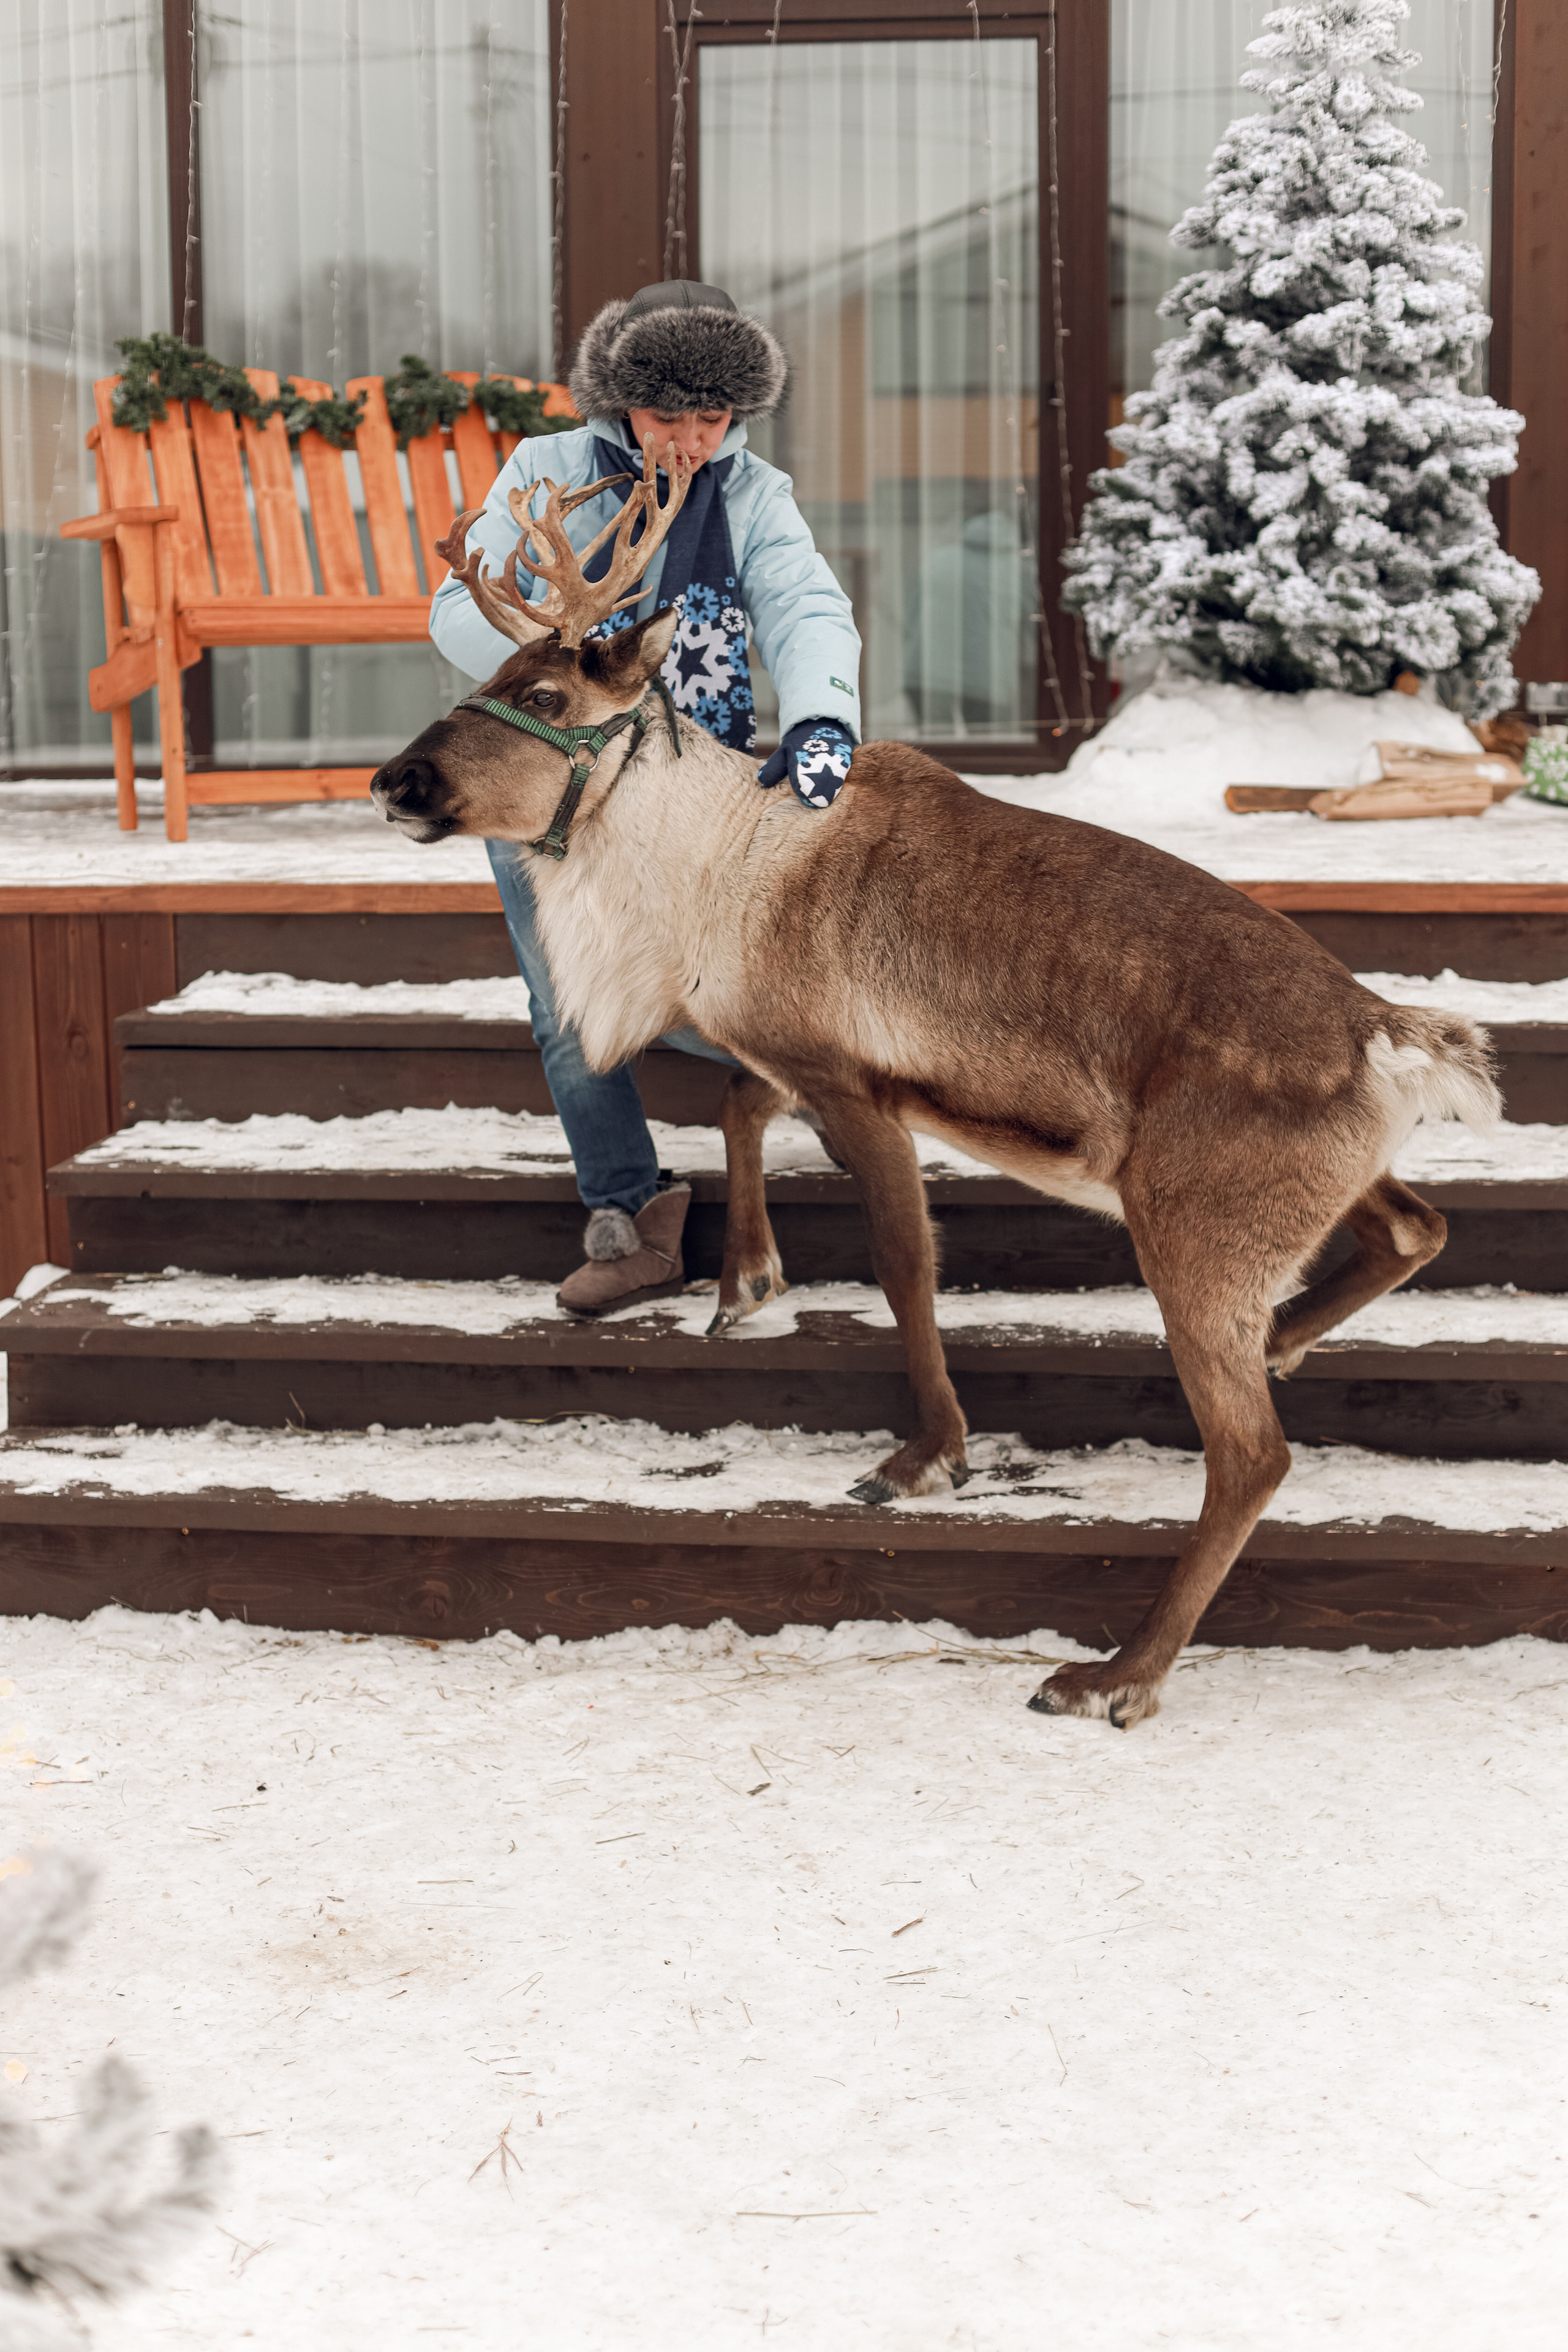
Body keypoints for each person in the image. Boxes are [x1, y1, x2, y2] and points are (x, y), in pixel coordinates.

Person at [429, 281, 862, 1314]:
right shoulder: (548, 471)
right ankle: (626, 1210)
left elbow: (803, 604)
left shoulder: (753, 492)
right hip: (547, 774)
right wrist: (572, 655)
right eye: (669, 415)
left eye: (712, 417)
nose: (692, 440)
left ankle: (825, 1080)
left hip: (687, 788)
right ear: (621, 401)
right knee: (567, 1002)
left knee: (719, 974)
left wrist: (822, 717)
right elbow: (456, 610)